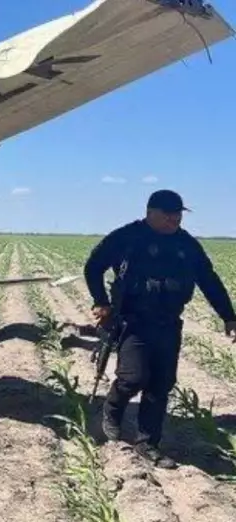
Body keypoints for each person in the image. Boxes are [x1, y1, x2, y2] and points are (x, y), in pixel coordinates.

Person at [84, 189, 236, 469]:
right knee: (134, 378)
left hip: (168, 322)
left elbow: (209, 280)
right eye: (167, 214)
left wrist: (229, 316)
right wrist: (101, 302)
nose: (173, 219)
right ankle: (113, 409)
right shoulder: (127, 236)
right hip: (133, 321)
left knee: (160, 385)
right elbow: (93, 266)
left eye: (178, 214)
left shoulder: (186, 244)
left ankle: (147, 444)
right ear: (150, 212)